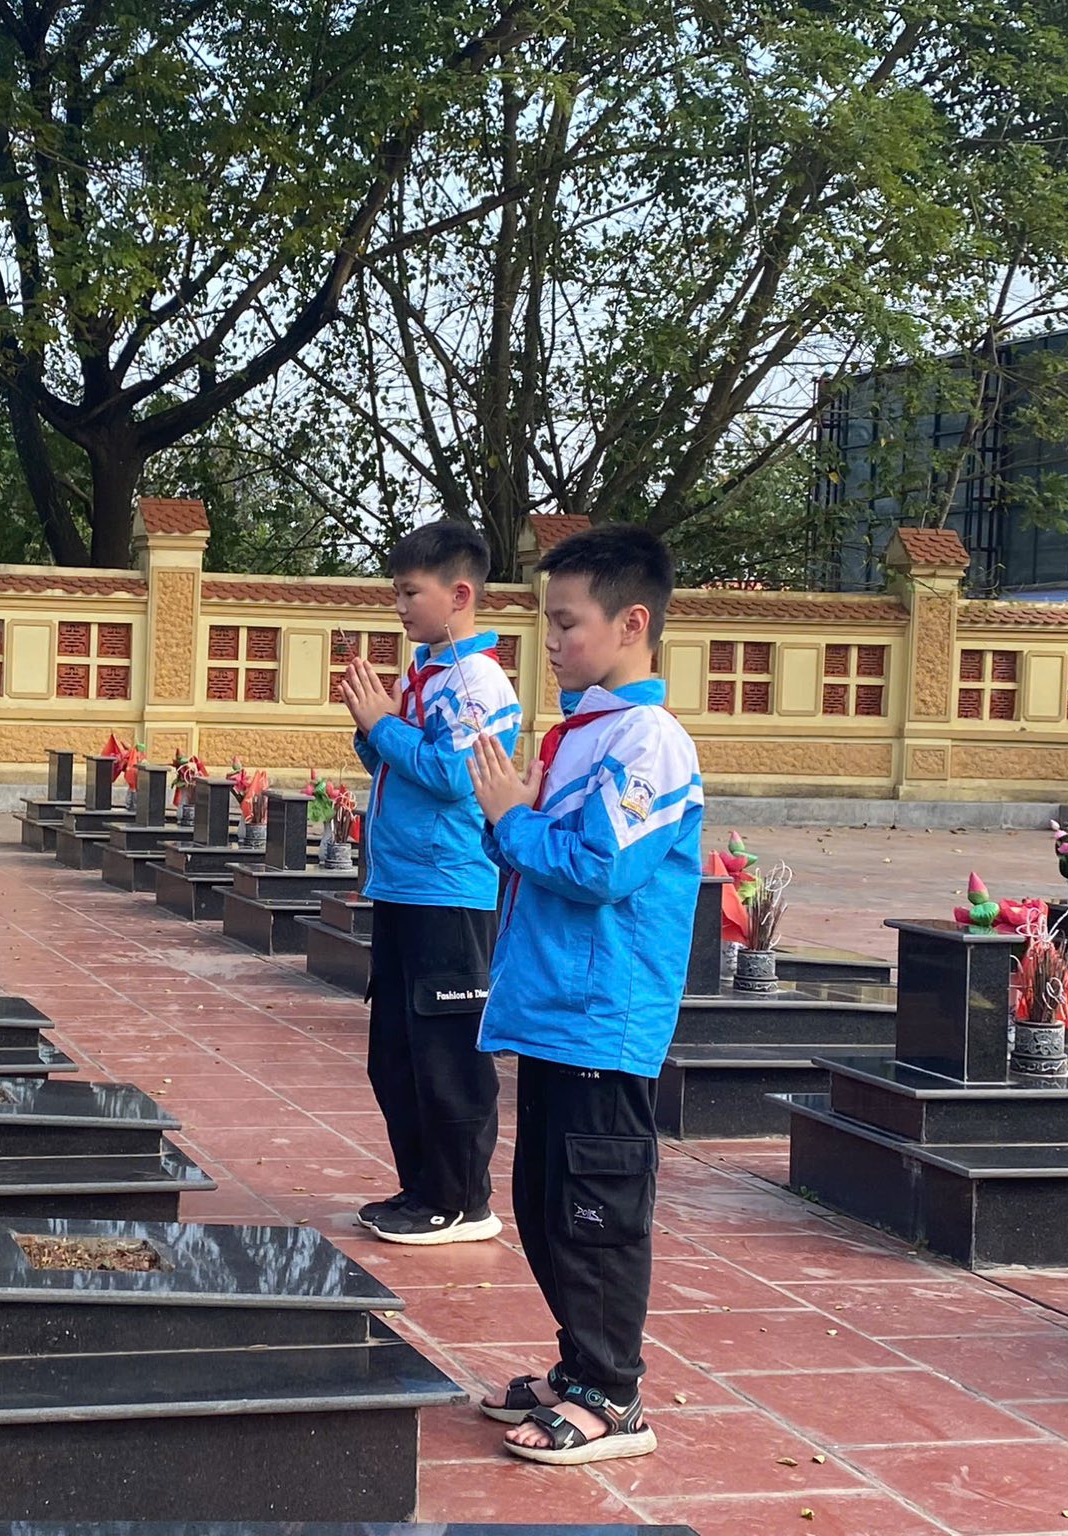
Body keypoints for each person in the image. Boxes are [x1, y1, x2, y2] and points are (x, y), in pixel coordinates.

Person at [465, 522, 702, 1465]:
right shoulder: (588, 734)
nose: (552, 642)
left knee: (597, 1215)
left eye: (567, 623)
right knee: (546, 1204)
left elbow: (600, 867)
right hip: (558, 1014)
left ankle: (614, 1396)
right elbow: (536, 854)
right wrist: (511, 822)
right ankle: (580, 1368)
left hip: (605, 1019)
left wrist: (512, 822)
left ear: (632, 623)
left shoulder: (650, 742)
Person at [338, 520, 520, 1245]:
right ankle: (423, 1190)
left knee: (447, 1057)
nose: (400, 606)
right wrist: (372, 728)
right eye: (397, 592)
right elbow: (399, 763)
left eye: (411, 592)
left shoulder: (477, 683)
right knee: (397, 1055)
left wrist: (384, 726)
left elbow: (453, 775)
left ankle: (462, 1200)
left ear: (460, 595)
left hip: (450, 891)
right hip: (406, 887)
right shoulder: (429, 674)